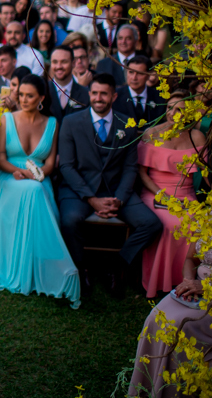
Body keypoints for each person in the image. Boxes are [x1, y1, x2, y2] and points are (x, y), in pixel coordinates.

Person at [0, 75, 79, 306]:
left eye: (29, 95)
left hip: (40, 179)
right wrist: (20, 172)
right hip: (9, 178)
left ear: (41, 98)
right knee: (33, 191)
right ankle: (49, 266)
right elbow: (0, 158)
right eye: (20, 94)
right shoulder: (6, 120)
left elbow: (51, 163)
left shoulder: (52, 123)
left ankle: (50, 267)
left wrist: (36, 174)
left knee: (35, 190)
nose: (23, 99)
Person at [57, 73, 162, 295]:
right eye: (94, 93)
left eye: (104, 93)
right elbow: (66, 166)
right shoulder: (71, 122)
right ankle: (81, 268)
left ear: (114, 96)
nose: (98, 98)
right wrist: (92, 199)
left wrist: (120, 199)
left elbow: (130, 167)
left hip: (117, 190)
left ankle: (117, 266)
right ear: (89, 94)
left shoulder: (128, 125)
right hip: (80, 191)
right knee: (69, 220)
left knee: (151, 224)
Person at [128, 170, 212, 397]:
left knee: (180, 324)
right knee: (156, 317)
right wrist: (189, 280)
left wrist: (206, 288)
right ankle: (149, 389)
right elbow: (190, 258)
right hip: (196, 287)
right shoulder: (209, 215)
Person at [137, 93, 206, 297]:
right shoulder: (152, 133)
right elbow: (142, 173)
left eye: (179, 110)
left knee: (197, 221)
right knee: (171, 224)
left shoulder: (196, 137)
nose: (172, 114)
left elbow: (206, 173)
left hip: (186, 193)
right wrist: (163, 196)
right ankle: (159, 282)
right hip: (155, 192)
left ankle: (187, 282)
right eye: (169, 108)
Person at [114, 55, 167, 124]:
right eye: (131, 72)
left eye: (140, 73)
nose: (134, 78)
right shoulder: (116, 97)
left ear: (148, 74)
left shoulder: (159, 98)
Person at [46, 46, 89, 122]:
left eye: (64, 62)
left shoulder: (86, 94)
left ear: (73, 63)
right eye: (55, 62)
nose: (59, 66)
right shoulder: (43, 91)